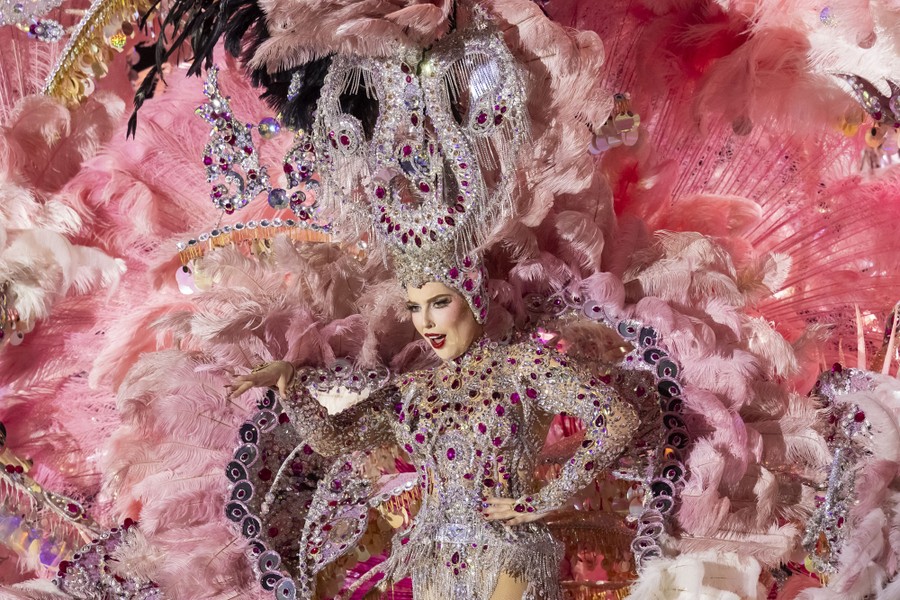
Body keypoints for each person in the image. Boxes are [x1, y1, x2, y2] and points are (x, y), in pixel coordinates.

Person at [229, 279, 640, 600]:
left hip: (508, 550)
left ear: (474, 300)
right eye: (414, 308)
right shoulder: (412, 390)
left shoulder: (520, 365)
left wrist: (542, 500)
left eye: (439, 303)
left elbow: (617, 417)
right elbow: (335, 439)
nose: (425, 323)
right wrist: (291, 386)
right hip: (435, 557)